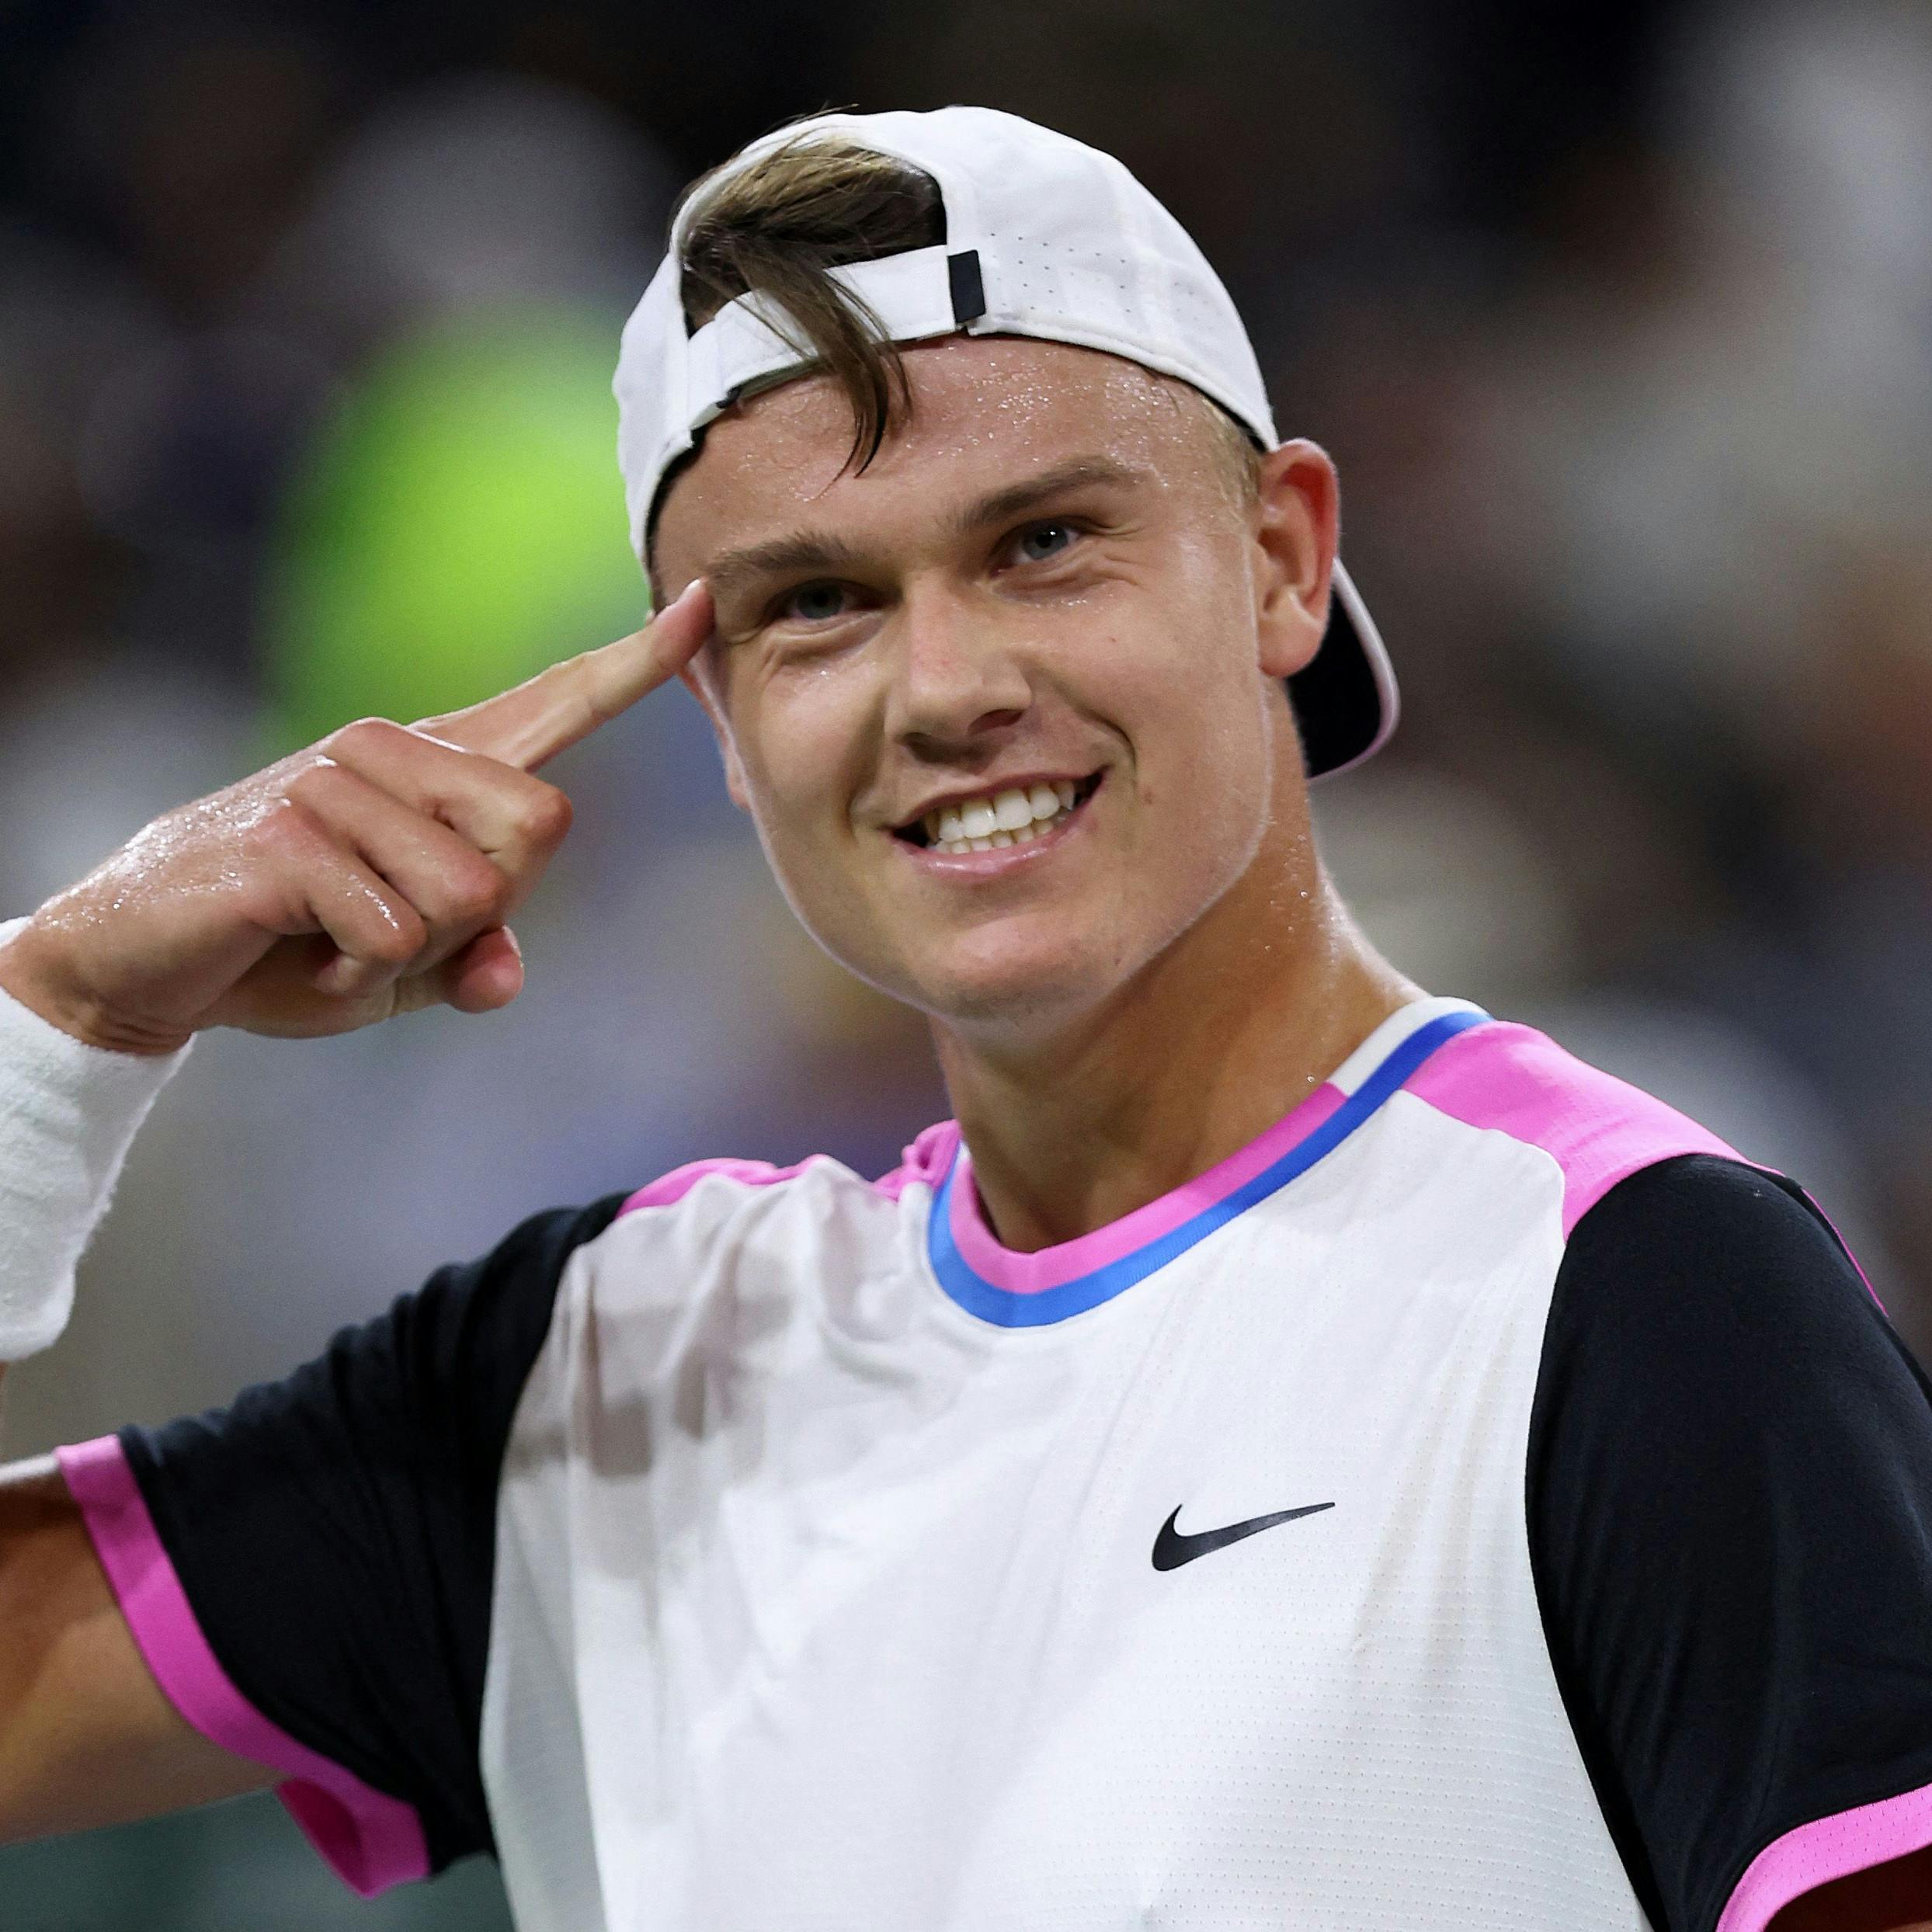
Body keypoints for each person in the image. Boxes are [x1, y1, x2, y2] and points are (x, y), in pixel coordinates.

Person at [1, 104, 1930, 1932]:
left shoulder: (1623, 1290)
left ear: (1280, 556)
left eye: (1040, 542)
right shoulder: (602, 1382)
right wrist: (63, 1013)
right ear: (725, 726)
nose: (941, 685)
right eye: (818, 603)